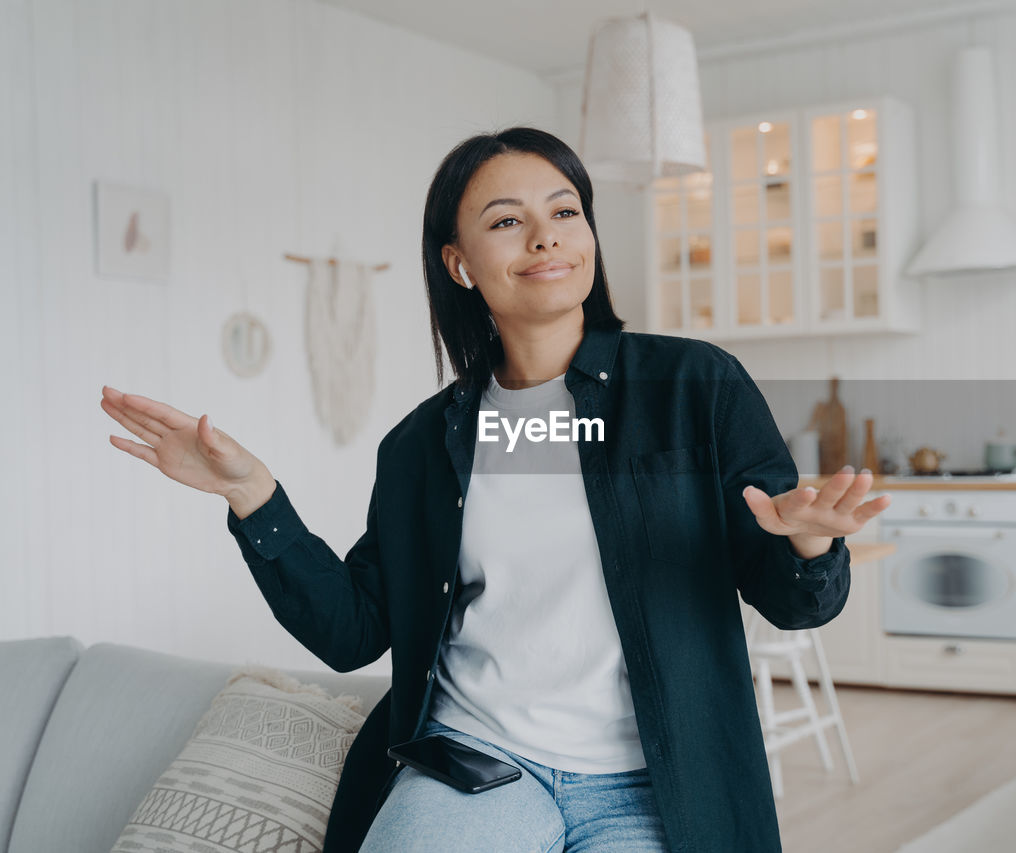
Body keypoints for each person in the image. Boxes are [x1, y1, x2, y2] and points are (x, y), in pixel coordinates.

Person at [99, 125, 892, 853]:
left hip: (657, 786)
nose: (546, 234)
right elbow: (354, 631)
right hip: (474, 764)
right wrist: (254, 496)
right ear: (459, 261)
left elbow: (799, 601)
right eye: (507, 220)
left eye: (566, 210)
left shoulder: (693, 385)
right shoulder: (421, 445)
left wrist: (809, 539)